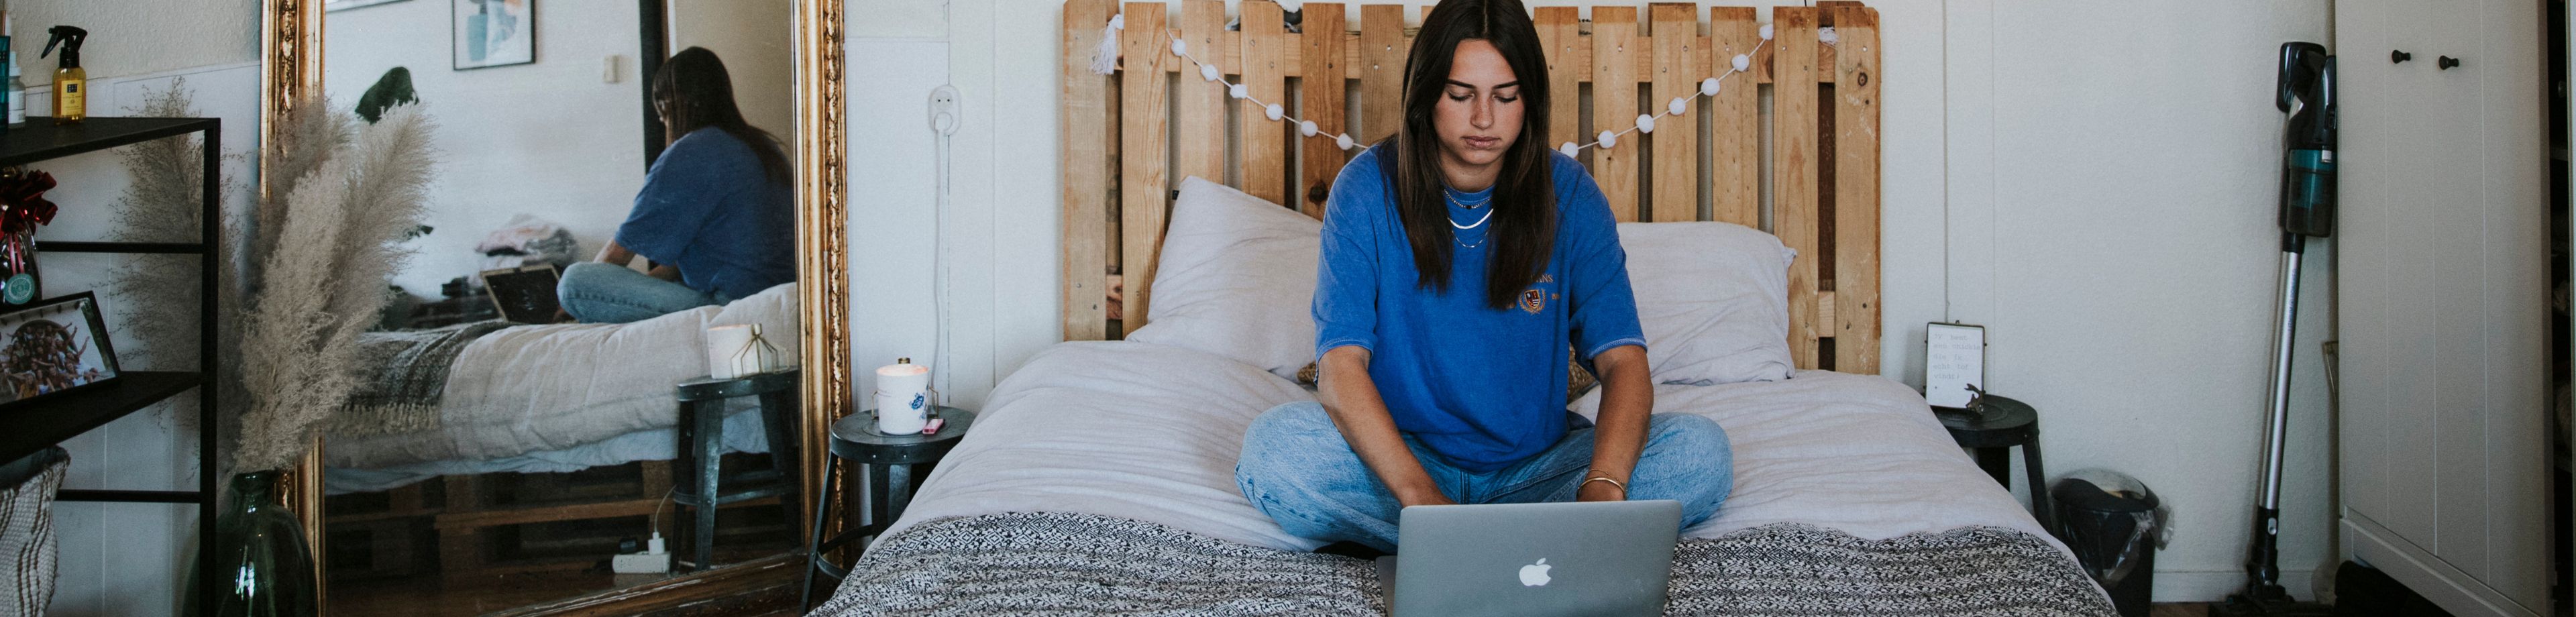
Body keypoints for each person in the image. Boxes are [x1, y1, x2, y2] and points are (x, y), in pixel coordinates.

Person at [1232, 0, 1733, 553]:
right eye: (1461, 94)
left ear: (1530, 101)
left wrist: (1604, 488)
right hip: (1401, 467)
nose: (1484, 120)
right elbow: (1340, 366)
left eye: (1506, 96)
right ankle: (1526, 548)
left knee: (1698, 453)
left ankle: (1483, 545)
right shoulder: (1365, 189)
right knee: (1276, 453)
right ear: (1426, 95)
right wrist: (1422, 501)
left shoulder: (1569, 193)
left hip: (1538, 474)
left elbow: (1624, 362)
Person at [557, 47, 793, 324]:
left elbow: (614, 256)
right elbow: (674, 268)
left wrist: (575, 308)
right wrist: (637, 292)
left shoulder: (691, 151)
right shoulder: (764, 147)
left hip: (729, 306)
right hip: (778, 297)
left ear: (668, 105)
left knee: (575, 280)